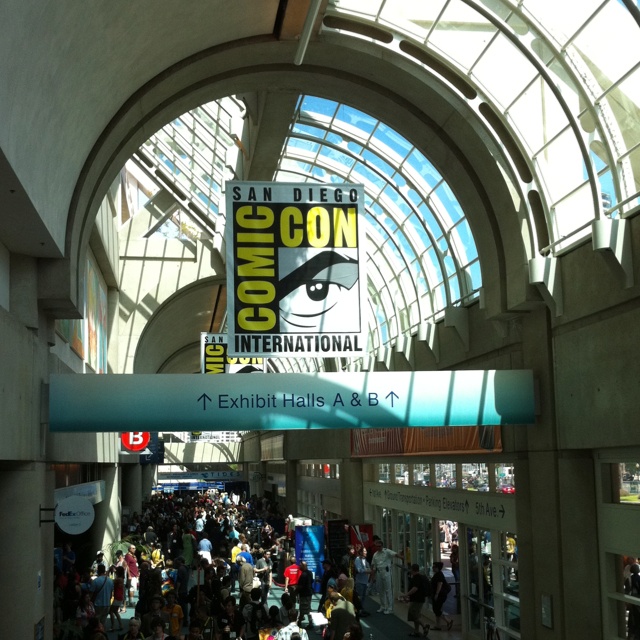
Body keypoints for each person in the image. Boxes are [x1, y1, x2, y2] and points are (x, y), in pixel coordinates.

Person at [370, 539, 403, 614]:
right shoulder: (375, 554)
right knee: (381, 590)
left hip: (386, 572)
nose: (378, 548)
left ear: (382, 546)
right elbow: (373, 565)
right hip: (379, 572)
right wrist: (372, 575)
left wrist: (402, 557)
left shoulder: (386, 551)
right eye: (377, 546)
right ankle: (383, 606)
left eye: (379, 546)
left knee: (388, 590)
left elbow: (395, 554)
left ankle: (390, 608)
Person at [400, 564, 431, 637]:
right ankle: (416, 631)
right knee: (416, 615)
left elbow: (415, 588)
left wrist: (406, 594)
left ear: (412, 570)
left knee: (413, 615)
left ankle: (424, 626)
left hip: (417, 600)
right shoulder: (421, 577)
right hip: (419, 599)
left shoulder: (416, 578)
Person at [430, 562, 453, 631]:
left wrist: (437, 594)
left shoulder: (439, 575)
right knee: (436, 609)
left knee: (437, 609)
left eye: (434, 567)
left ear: (437, 568)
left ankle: (448, 621)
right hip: (440, 594)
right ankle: (438, 625)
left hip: (440, 595)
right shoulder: (437, 574)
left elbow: (439, 584)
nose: (433, 568)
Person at [353, 547, 371, 615]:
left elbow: (368, 567)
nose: (366, 552)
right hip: (360, 581)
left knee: (363, 597)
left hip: (365, 581)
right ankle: (358, 610)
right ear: (360, 552)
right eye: (364, 551)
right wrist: (367, 571)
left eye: (366, 551)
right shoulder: (357, 559)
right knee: (359, 597)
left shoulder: (364, 559)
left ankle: (361, 609)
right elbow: (359, 570)